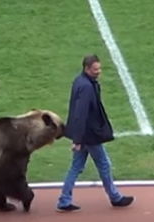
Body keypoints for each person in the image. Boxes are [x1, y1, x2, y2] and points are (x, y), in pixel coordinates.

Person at [56, 54, 134, 213]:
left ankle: (64, 200)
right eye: (95, 69)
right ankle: (115, 197)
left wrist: (77, 137)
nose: (99, 72)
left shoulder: (81, 81)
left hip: (84, 134)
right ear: (86, 68)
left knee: (76, 167)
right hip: (89, 135)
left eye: (99, 68)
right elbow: (81, 113)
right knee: (104, 165)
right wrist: (78, 139)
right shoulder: (86, 87)